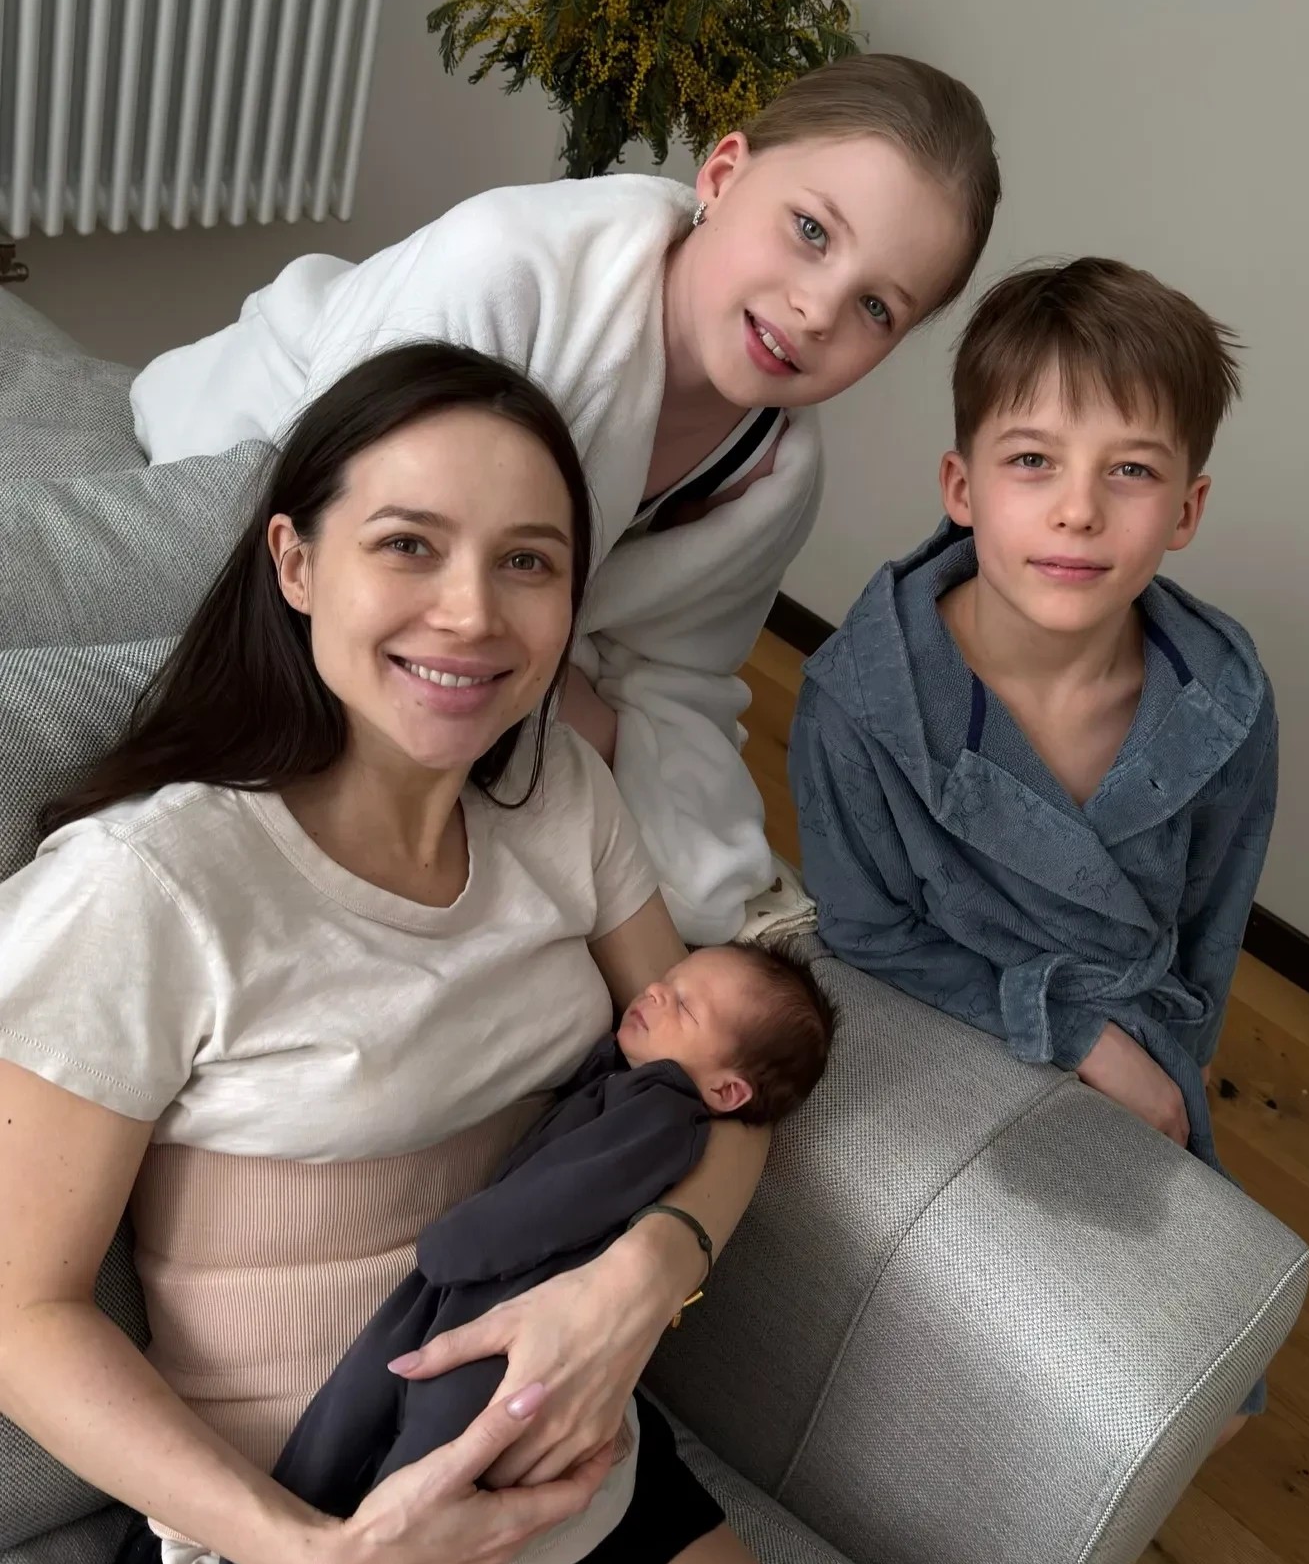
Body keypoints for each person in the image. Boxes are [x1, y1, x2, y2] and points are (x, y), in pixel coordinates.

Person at [0, 343, 937, 1564]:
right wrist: (319, 1559)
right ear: (295, 561)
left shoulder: (561, 794)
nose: (471, 612)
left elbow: (725, 1094)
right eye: (409, 544)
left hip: (584, 1515)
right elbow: (21, 1315)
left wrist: (646, 1275)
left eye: (527, 562)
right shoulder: (149, 888)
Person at [129, 54, 1002, 945]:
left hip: (523, 621)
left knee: (696, 875)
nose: (818, 309)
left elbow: (681, 679)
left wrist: (630, 762)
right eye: (811, 230)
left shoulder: (776, 474)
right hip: (278, 448)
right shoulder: (506, 267)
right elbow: (359, 537)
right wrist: (560, 690)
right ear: (723, 174)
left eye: (877, 308)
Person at [789, 260, 1278, 1564]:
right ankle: (961, 1544)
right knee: (962, 1334)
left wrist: (1165, 1086)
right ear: (961, 487)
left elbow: (1212, 932)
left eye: (1130, 471)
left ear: (1186, 509)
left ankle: (1056, 1548)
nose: (1076, 510)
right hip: (933, 1026)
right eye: (1032, 462)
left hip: (1136, 1053)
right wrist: (1065, 1030)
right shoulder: (863, 702)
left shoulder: (1224, 705)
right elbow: (865, 933)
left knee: (1195, 1383)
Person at [218, 941, 837, 1564]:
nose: (655, 991)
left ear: (728, 1091)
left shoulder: (662, 1119)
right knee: (353, 1401)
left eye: (684, 1006)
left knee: (424, 1445)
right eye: (666, 978)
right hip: (462, 1286)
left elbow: (562, 1202)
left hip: (506, 1304)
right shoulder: (624, 1083)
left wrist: (455, 1245)